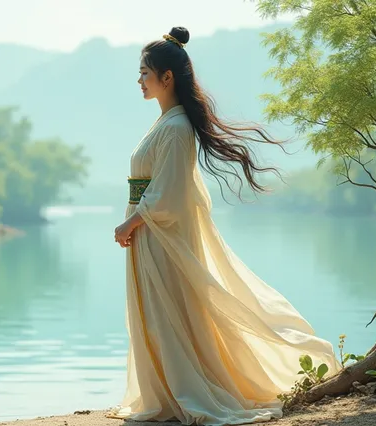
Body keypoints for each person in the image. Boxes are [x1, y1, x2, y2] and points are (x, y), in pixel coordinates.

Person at [107, 27, 339, 425]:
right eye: (140, 72)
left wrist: (131, 221)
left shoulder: (177, 129)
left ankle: (189, 391)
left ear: (167, 78)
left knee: (172, 313)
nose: (139, 80)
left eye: (145, 72)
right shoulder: (165, 123)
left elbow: (171, 193)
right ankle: (163, 391)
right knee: (158, 314)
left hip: (161, 237)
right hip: (149, 235)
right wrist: (134, 223)